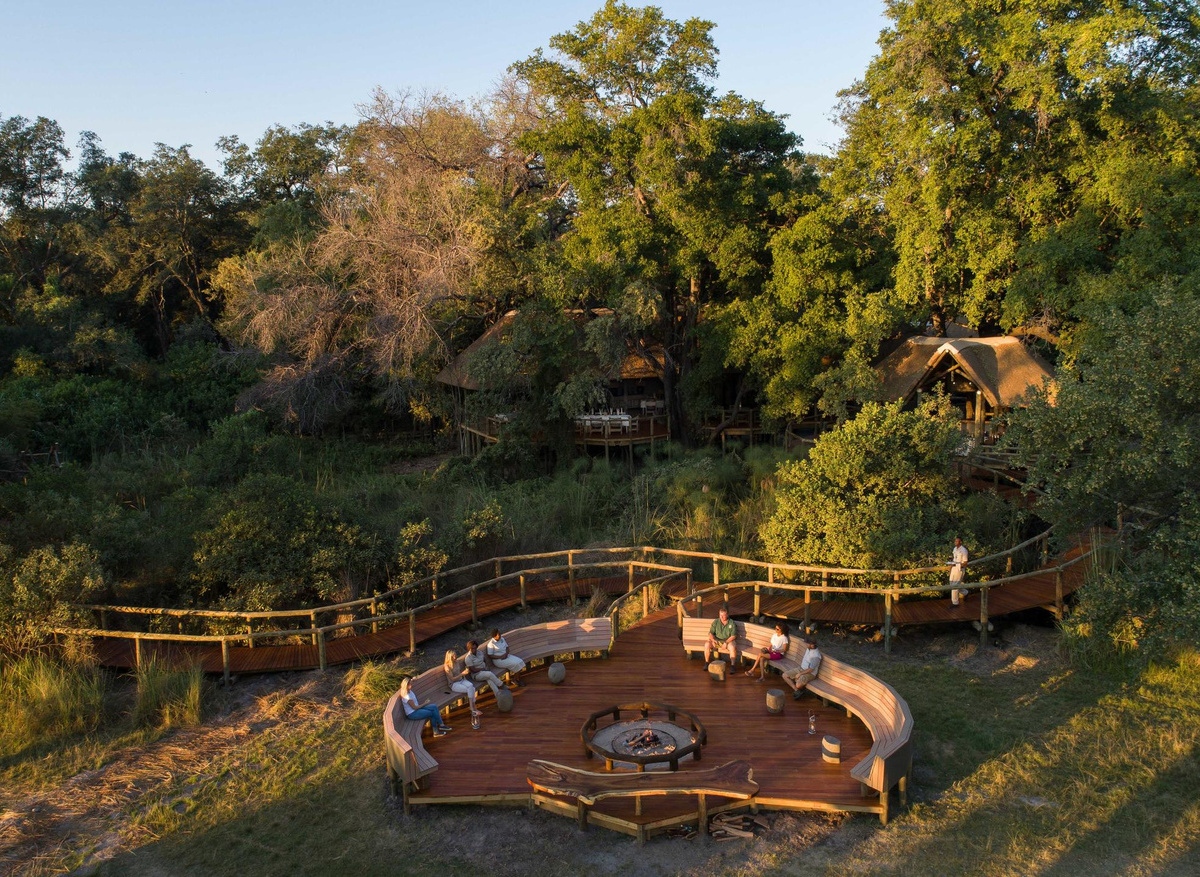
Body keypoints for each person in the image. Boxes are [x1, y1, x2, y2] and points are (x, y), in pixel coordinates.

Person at [442, 650, 482, 719]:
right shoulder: (447, 667)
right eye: (453, 656)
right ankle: (472, 708)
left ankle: (473, 707)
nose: (455, 657)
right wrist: (462, 674)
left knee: (471, 686)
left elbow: (460, 673)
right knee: (471, 689)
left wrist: (465, 673)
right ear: (449, 657)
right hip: (454, 684)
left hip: (461, 680)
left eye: (455, 655)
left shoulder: (457, 662)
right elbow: (452, 679)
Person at [949, 536, 969, 606]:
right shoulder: (955, 549)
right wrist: (951, 566)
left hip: (959, 569)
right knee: (951, 583)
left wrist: (959, 566)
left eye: (957, 541)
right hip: (953, 568)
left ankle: (955, 603)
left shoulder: (964, 550)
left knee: (955, 586)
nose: (956, 542)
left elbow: (965, 562)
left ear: (960, 542)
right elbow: (954, 559)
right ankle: (965, 592)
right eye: (955, 541)